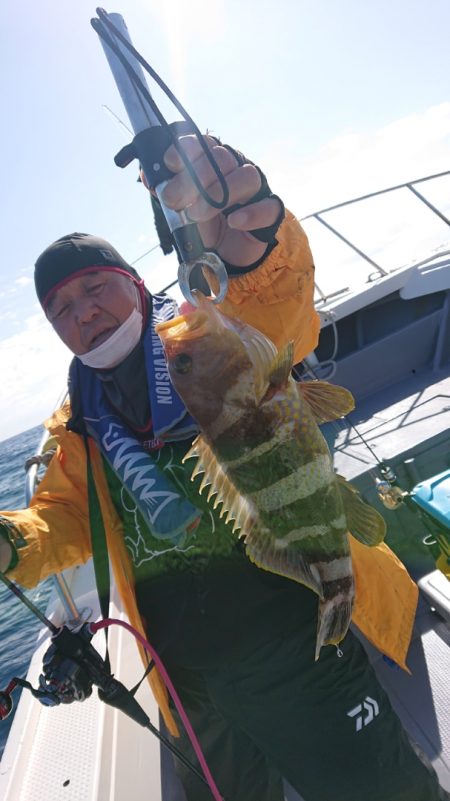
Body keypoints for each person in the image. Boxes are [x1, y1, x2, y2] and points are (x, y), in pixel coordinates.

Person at [0, 134, 448, 801]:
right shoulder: (76, 425)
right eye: (61, 308)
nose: (82, 311)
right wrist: (13, 542)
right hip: (185, 677)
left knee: (380, 788)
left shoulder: (206, 337)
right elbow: (58, 519)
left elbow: (276, 298)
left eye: (94, 286)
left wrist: (255, 228)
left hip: (290, 638)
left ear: (133, 282)